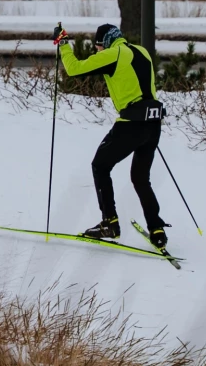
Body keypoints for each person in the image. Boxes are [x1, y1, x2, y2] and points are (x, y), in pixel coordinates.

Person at [51, 23, 170, 249]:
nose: (98, 52)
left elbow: (74, 69)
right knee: (140, 177)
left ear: (104, 43)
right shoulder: (142, 51)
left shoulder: (113, 54)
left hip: (131, 124)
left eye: (98, 47)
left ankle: (110, 223)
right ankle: (157, 229)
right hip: (153, 124)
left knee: (100, 165)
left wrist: (64, 44)